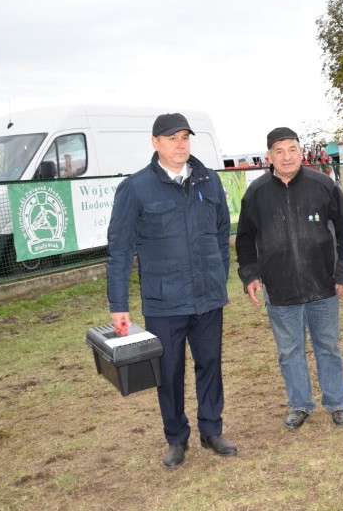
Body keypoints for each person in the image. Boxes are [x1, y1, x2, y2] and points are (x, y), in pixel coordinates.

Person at [107, 112, 237, 468]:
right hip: (165, 302)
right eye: (172, 138)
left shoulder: (208, 181)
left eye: (185, 138)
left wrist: (217, 276)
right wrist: (118, 305)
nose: (180, 145)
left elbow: (221, 235)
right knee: (169, 372)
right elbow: (119, 250)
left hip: (208, 297)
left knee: (210, 364)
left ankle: (212, 431)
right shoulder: (135, 188)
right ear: (156, 143)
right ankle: (176, 438)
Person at [235, 127, 343, 430]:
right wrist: (250, 274)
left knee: (328, 346)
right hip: (280, 287)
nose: (286, 156)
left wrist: (342, 273)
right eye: (279, 151)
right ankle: (299, 404)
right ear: (269, 157)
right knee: (289, 351)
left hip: (323, 285)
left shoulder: (323, 185)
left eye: (292, 149)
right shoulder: (256, 193)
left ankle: (337, 402)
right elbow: (245, 239)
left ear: (301, 152)